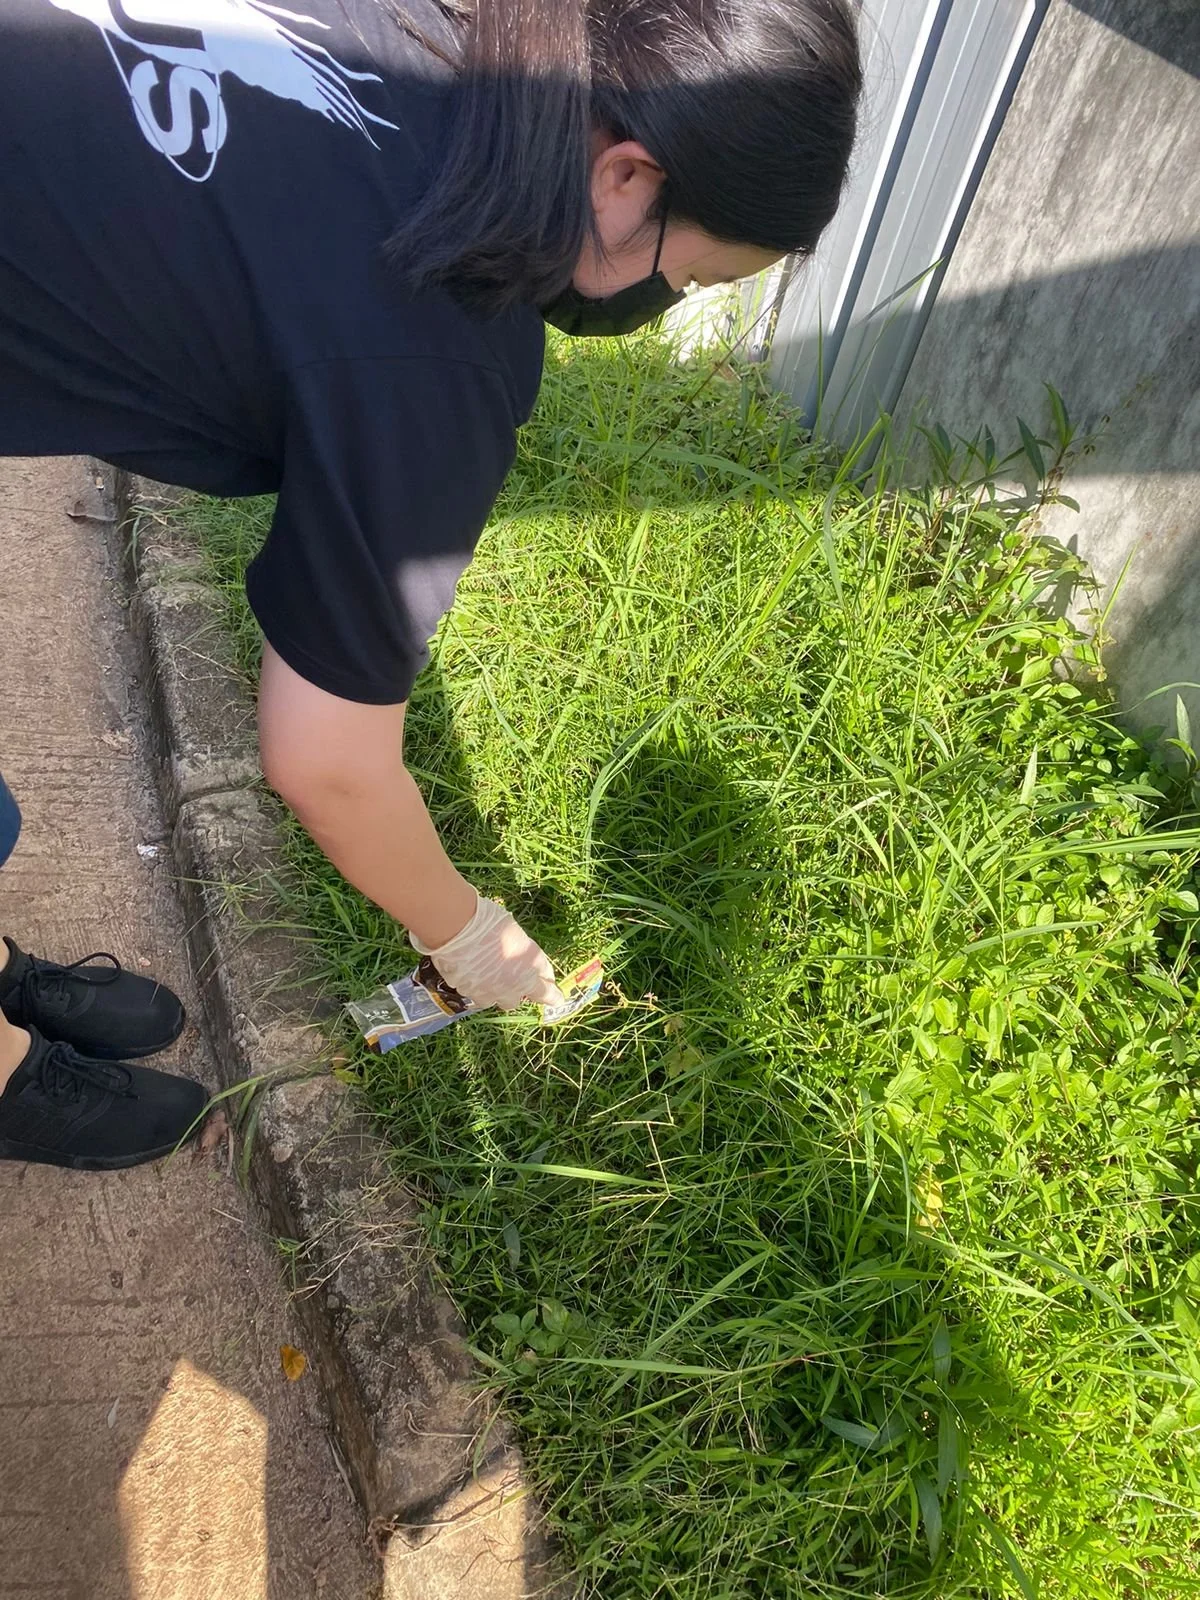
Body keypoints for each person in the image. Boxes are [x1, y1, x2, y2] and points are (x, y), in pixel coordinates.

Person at [0, 0, 862, 1169]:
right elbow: (327, 761)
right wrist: (471, 939)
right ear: (627, 174)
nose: (676, 303)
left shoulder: (459, 29)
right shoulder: (438, 352)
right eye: (694, 275)